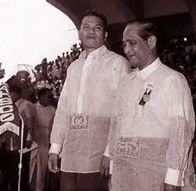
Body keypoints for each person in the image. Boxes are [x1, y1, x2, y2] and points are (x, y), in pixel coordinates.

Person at [105, 21, 196, 190]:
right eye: (124, 44)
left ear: (151, 42)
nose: (126, 50)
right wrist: (112, 168)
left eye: (132, 43)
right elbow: (116, 127)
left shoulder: (172, 80)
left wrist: (173, 178)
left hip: (157, 176)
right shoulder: (125, 83)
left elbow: (181, 133)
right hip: (124, 175)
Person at [48, 10, 130, 191]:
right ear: (79, 33)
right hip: (71, 152)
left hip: (99, 152)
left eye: (97, 28)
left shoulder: (118, 63)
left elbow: (123, 112)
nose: (91, 31)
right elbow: (63, 110)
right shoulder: (73, 67)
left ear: (105, 35)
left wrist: (110, 153)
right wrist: (55, 148)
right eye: (86, 27)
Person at [29, 88, 56, 191]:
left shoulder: (53, 109)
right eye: (47, 96)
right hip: (37, 140)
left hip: (48, 139)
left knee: (45, 168)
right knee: (36, 168)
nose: (49, 99)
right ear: (40, 96)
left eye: (50, 96)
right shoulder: (33, 108)